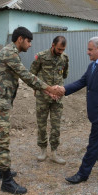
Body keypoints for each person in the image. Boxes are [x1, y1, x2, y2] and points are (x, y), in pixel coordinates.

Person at [0, 26, 60, 195]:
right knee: (2, 138)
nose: (30, 45)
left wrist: (45, 89)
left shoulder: (10, 52)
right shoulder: (10, 53)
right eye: (28, 41)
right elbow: (26, 75)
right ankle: (6, 181)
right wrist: (48, 88)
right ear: (20, 39)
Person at [55, 36, 98, 184]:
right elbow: (82, 82)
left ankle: (82, 174)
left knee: (93, 144)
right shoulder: (93, 65)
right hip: (97, 112)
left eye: (90, 49)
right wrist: (63, 89)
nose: (87, 52)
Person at [30, 36, 69, 164]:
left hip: (57, 98)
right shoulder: (41, 56)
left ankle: (54, 152)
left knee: (56, 126)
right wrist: (40, 89)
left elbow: (64, 75)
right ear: (52, 45)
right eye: (58, 49)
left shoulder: (64, 58)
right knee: (41, 125)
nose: (60, 52)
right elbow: (32, 75)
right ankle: (42, 150)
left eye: (63, 49)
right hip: (43, 97)